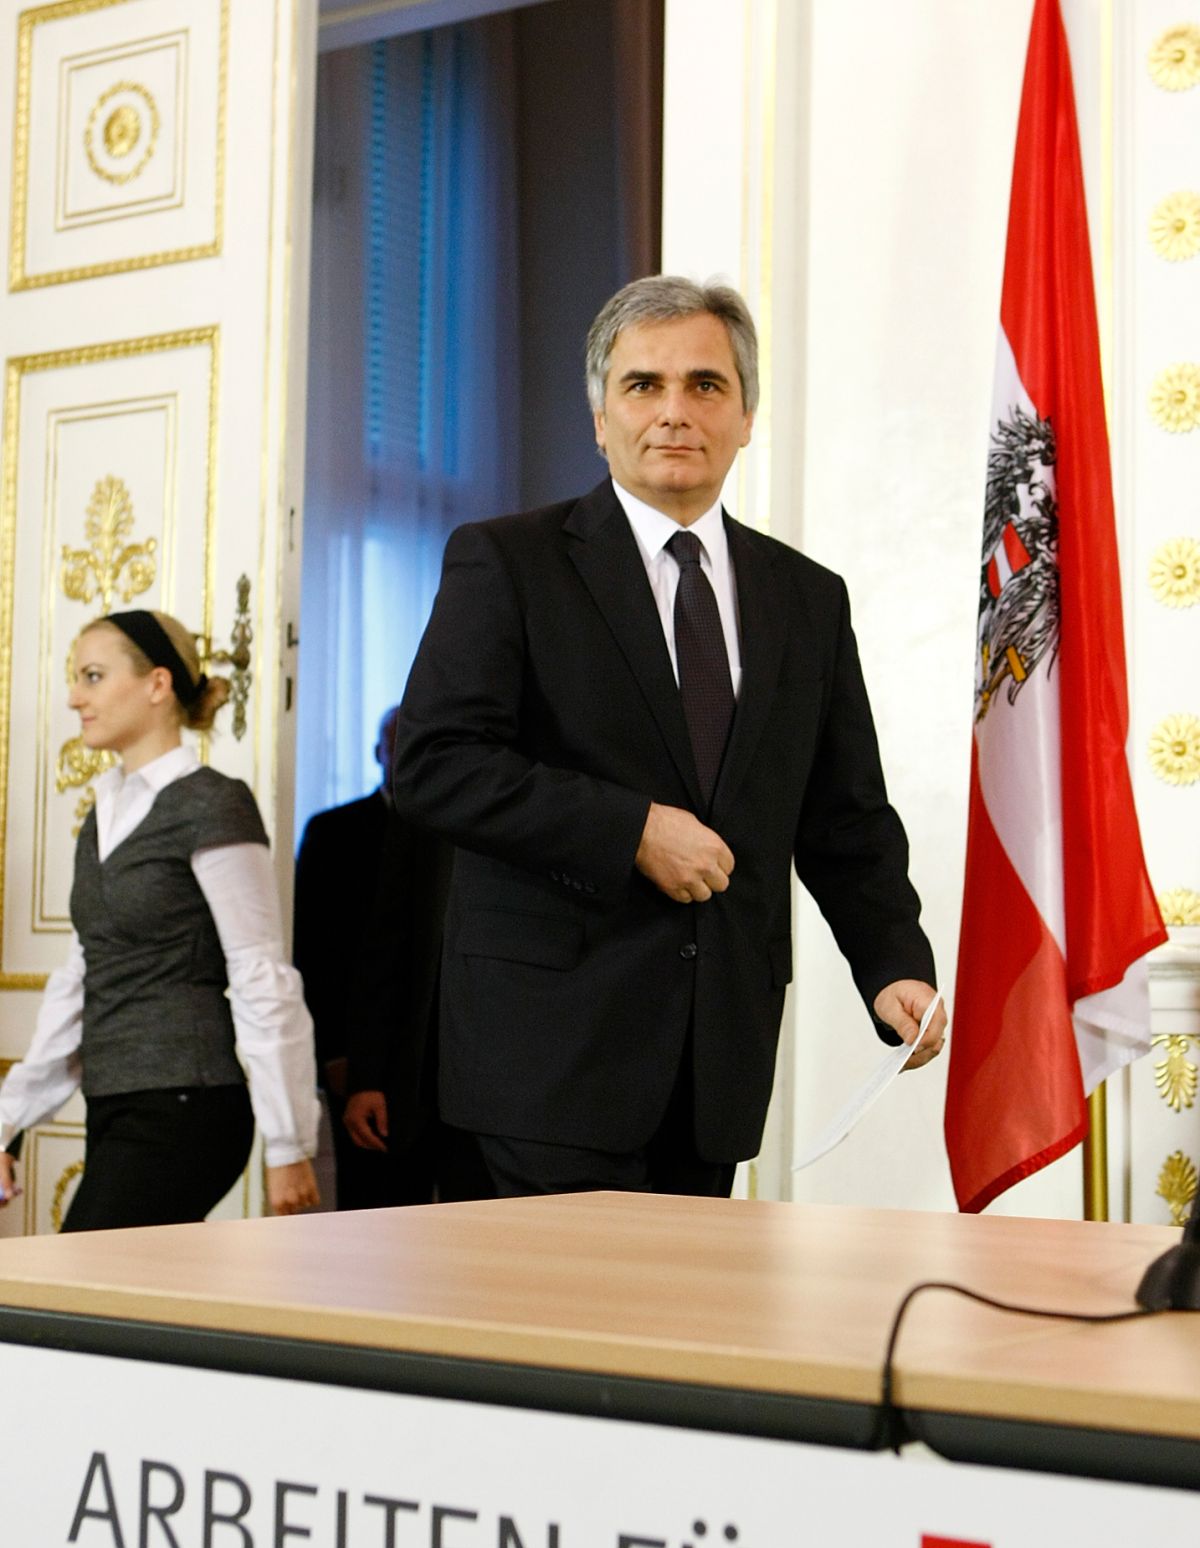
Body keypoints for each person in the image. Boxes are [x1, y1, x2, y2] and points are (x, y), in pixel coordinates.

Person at [392, 275, 947, 1200]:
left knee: (680, 1337)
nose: (674, 412)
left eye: (706, 385)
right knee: (568, 1340)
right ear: (600, 417)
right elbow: (435, 767)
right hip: (545, 1056)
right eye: (643, 385)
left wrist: (894, 965)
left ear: (746, 416)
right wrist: (631, 829)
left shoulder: (807, 600)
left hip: (714, 1061)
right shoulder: (508, 561)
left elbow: (842, 813)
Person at [0, 610, 320, 1227]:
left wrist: (289, 1145)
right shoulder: (102, 817)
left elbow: (260, 971)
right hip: (115, 1102)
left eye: (92, 676)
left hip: (189, 1104)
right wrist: (7, 1123)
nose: (75, 698)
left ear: (157, 684)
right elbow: (84, 975)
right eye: (75, 679)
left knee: (84, 1294)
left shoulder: (212, 802)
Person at [295, 710, 489, 1207]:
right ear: (379, 753)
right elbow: (327, 951)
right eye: (396, 745)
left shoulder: (478, 819)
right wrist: (347, 1059)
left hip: (475, 1073)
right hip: (391, 1063)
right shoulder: (336, 830)